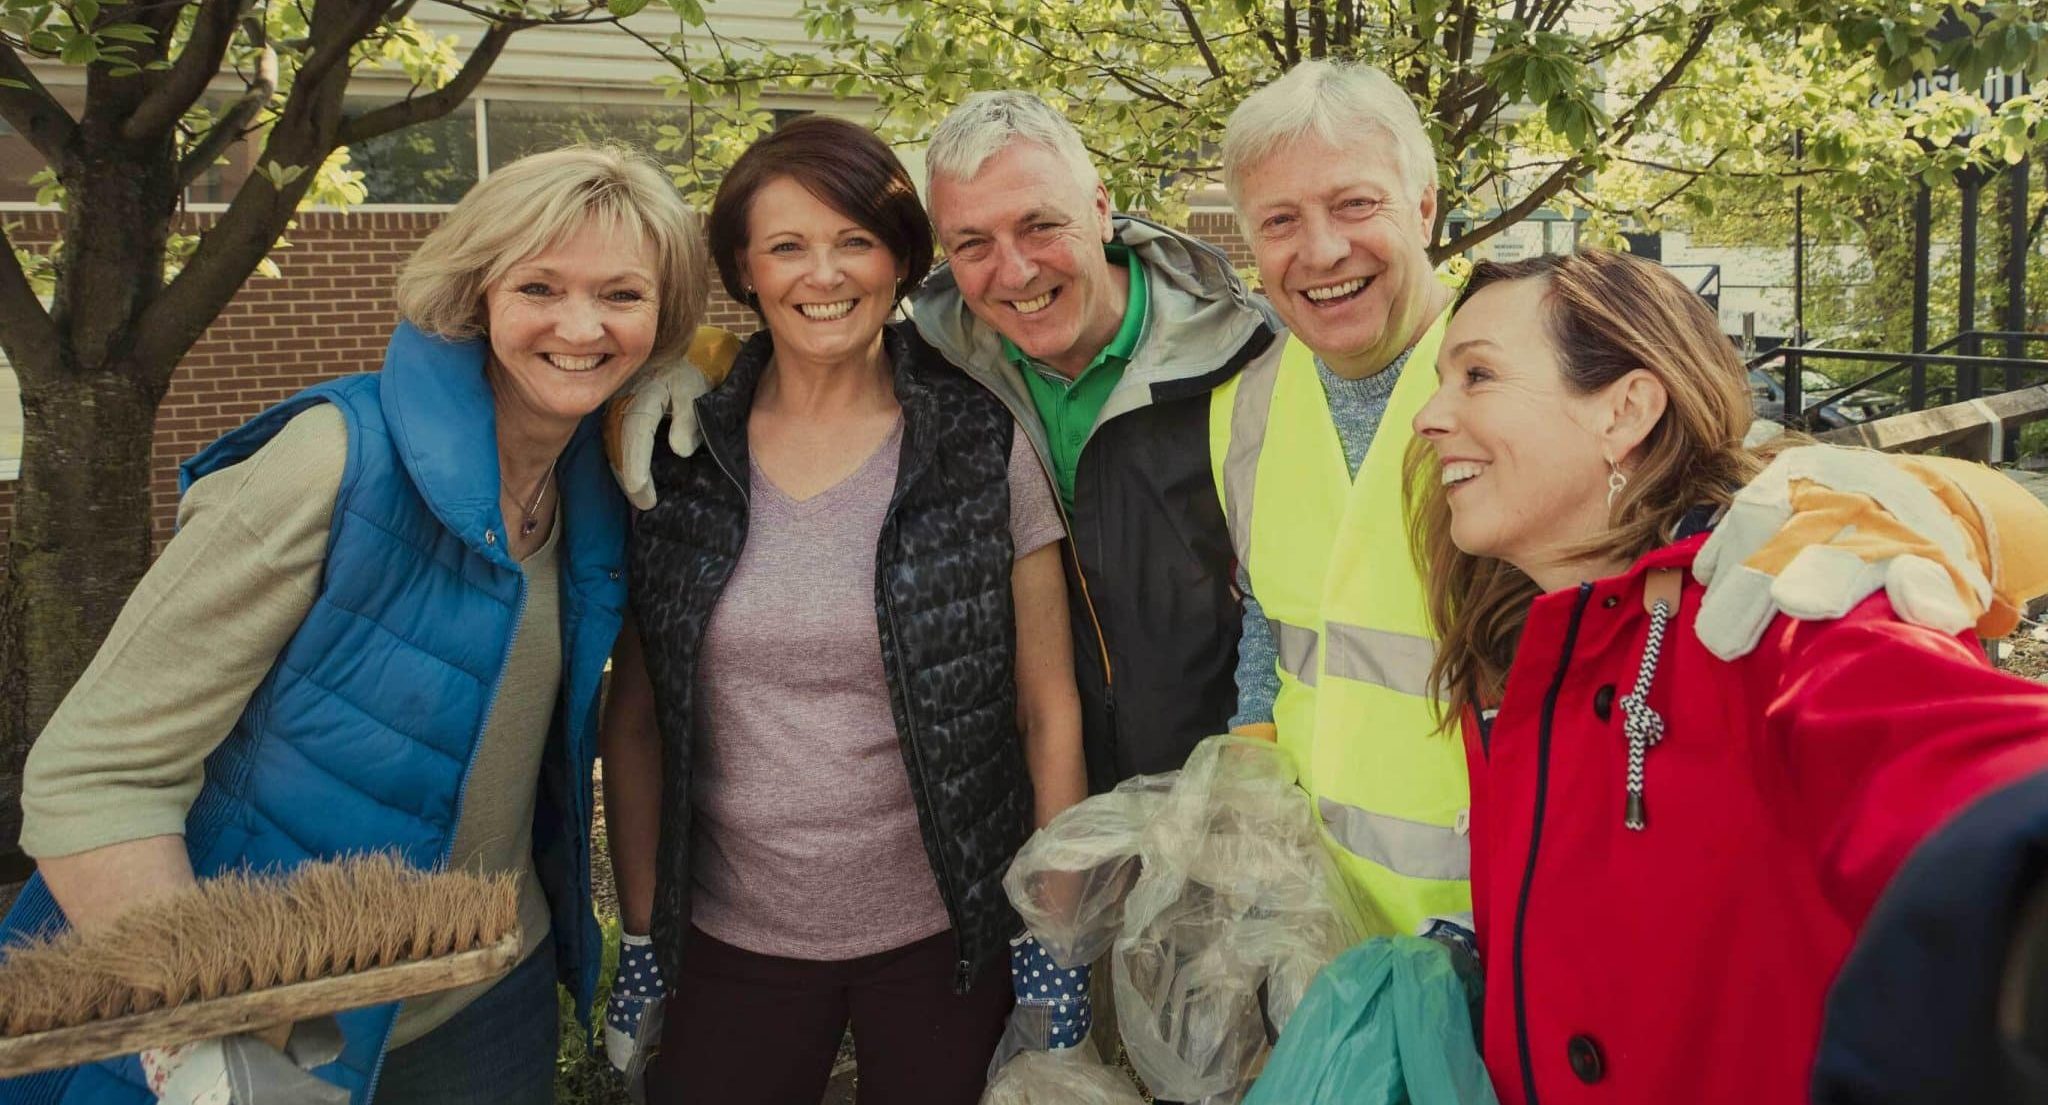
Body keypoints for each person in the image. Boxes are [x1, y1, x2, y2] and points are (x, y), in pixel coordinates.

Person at [1210, 58, 2048, 943]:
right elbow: (1275, 621)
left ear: (1423, 208)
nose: (1323, 248)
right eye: (1280, 220)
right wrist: (1250, 788)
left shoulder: (1536, 336)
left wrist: (1942, 503)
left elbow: (1711, 483)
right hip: (1342, 935)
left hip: (1507, 920)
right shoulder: (1242, 410)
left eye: (1353, 204)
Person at [0, 145, 708, 1104]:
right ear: (476, 294)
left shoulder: (595, 483)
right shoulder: (331, 462)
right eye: (539, 284)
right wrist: (200, 1031)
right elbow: (95, 773)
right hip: (269, 1014)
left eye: (623, 297)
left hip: (487, 999)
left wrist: (703, 372)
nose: (579, 326)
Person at [1410, 248, 2048, 1104]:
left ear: (1625, 409)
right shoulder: (1515, 642)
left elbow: (1953, 749)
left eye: (1477, 374)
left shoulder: (1784, 594)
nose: (1428, 416)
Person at [596, 115, 1086, 1105]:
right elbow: (638, 720)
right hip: (731, 939)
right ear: (743, 267)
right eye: (786, 246)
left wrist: (1057, 939)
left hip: (946, 941)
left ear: (899, 258)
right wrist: (644, 934)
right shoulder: (679, 451)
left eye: (853, 241)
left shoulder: (979, 438)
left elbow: (1048, 710)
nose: (822, 274)